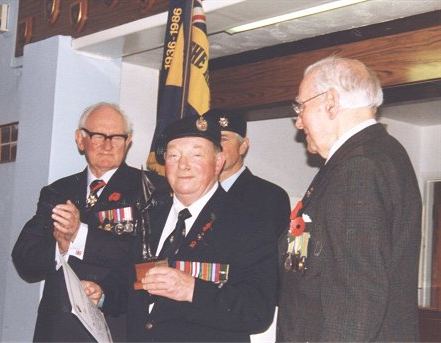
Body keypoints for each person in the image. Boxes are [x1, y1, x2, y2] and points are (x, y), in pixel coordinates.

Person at [85, 113, 278, 342]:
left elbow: (257, 311)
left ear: (217, 162)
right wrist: (103, 295)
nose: (183, 165)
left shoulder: (249, 225)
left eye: (196, 154)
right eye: (174, 155)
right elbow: (130, 283)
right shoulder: (149, 216)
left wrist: (192, 290)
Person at [277, 56, 422, 342]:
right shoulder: (375, 154)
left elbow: (356, 297)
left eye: (301, 106)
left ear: (330, 101)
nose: (298, 121)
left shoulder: (358, 167)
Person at [12, 102, 168, 342]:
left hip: (114, 326)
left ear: (128, 141)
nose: (107, 145)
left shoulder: (151, 190)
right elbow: (24, 260)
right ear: (80, 139)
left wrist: (80, 235)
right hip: (57, 330)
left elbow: (147, 259)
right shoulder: (57, 191)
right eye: (98, 136)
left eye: (116, 137)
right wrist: (61, 247)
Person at [205, 108, 291, 239]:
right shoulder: (191, 192)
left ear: (243, 146)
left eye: (223, 139)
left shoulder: (269, 197)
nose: (214, 146)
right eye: (208, 140)